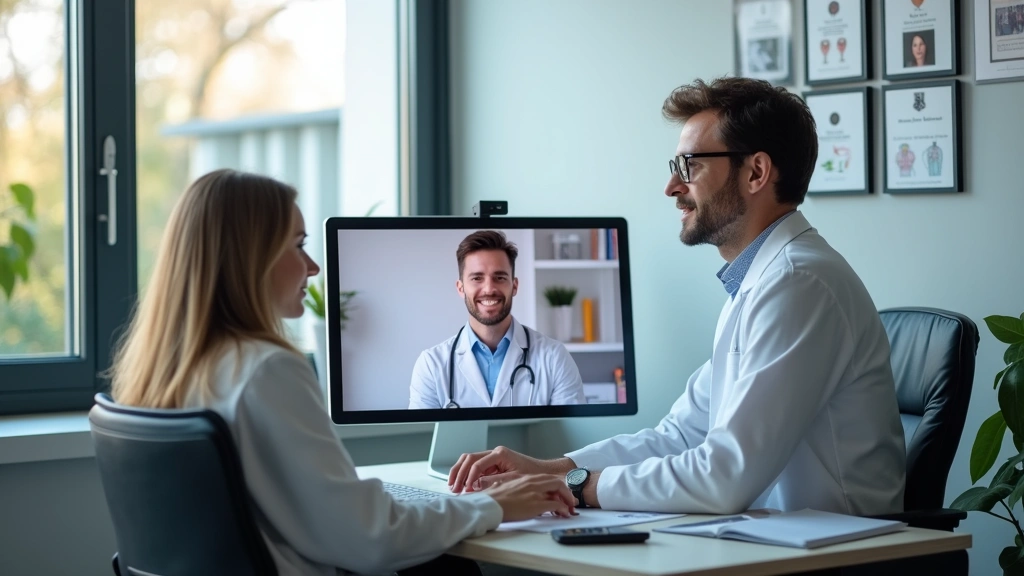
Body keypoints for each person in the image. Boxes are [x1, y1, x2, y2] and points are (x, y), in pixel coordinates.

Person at [447, 77, 906, 517]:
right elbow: (682, 434)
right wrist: (552, 469)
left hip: (835, 557)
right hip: (770, 543)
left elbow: (725, 474)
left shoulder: (797, 283)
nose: (672, 187)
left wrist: (575, 487)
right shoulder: (760, 282)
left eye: (691, 166)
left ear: (757, 172)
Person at [108, 169, 576, 576]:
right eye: (298, 246)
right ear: (250, 258)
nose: (312, 266)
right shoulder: (267, 371)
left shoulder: (165, 374)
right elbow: (370, 537)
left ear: (515, 284)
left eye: (499, 278)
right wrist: (494, 504)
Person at [408, 230, 586, 409]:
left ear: (514, 286)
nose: (489, 289)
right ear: (461, 288)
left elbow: (574, 434)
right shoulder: (431, 365)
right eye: (477, 278)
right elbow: (423, 436)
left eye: (499, 278)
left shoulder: (554, 358)